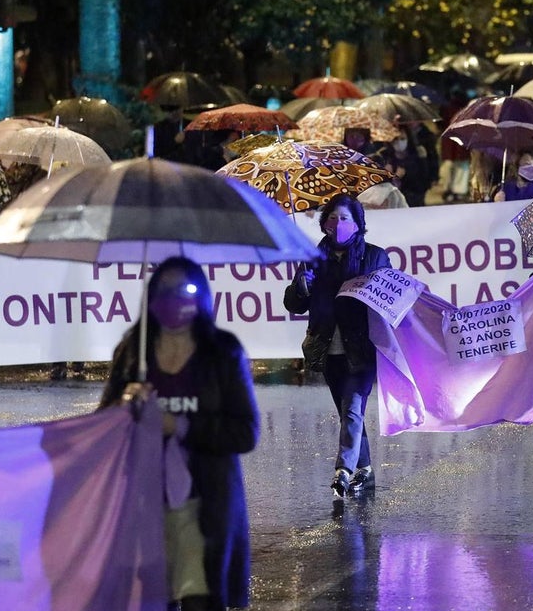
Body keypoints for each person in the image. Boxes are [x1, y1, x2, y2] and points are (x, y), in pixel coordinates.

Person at [99, 257, 259, 611]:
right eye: (165, 290)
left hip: (204, 506)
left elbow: (246, 431)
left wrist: (182, 426)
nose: (174, 298)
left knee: (201, 599)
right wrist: (123, 407)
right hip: (145, 504)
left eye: (184, 289)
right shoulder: (133, 351)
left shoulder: (222, 352)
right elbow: (104, 427)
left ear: (201, 296)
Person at [283, 195, 392, 498]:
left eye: (345, 218)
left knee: (353, 409)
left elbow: (387, 299)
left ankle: (342, 472)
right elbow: (294, 304)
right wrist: (301, 287)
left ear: (358, 223)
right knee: (348, 414)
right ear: (324, 223)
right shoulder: (313, 259)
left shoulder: (374, 256)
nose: (338, 224)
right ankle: (365, 471)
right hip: (327, 348)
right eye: (332, 218)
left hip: (362, 349)